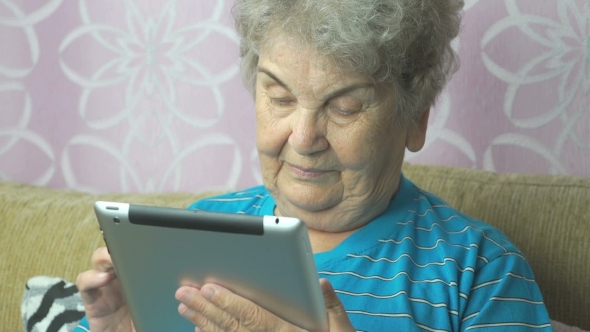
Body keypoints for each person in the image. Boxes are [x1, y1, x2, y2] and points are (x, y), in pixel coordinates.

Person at [74, 0, 553, 331]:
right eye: (279, 97)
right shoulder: (188, 238)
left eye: (344, 107)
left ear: (415, 118)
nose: (303, 139)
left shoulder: (479, 271)